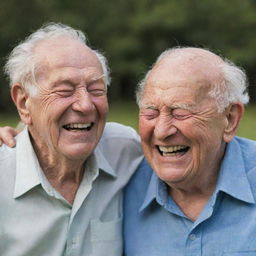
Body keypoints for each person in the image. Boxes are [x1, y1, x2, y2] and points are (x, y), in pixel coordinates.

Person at [0, 23, 143, 256]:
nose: (85, 105)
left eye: (96, 89)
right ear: (23, 103)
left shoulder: (127, 150)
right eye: (64, 91)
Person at [124, 47, 256, 255]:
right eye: (151, 112)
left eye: (181, 112)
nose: (162, 130)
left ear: (230, 119)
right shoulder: (120, 185)